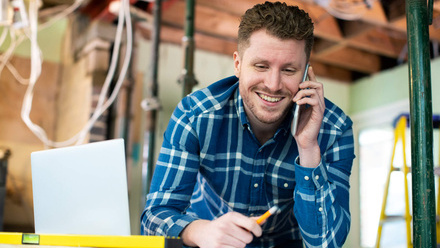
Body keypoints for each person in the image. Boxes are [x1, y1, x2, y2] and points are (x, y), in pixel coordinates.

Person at [140, 1, 355, 247]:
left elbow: (327, 243)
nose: (273, 84)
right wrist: (201, 232)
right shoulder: (194, 115)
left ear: (306, 74)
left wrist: (308, 149)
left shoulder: (334, 129)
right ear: (238, 64)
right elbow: (153, 220)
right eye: (261, 66)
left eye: (289, 70)